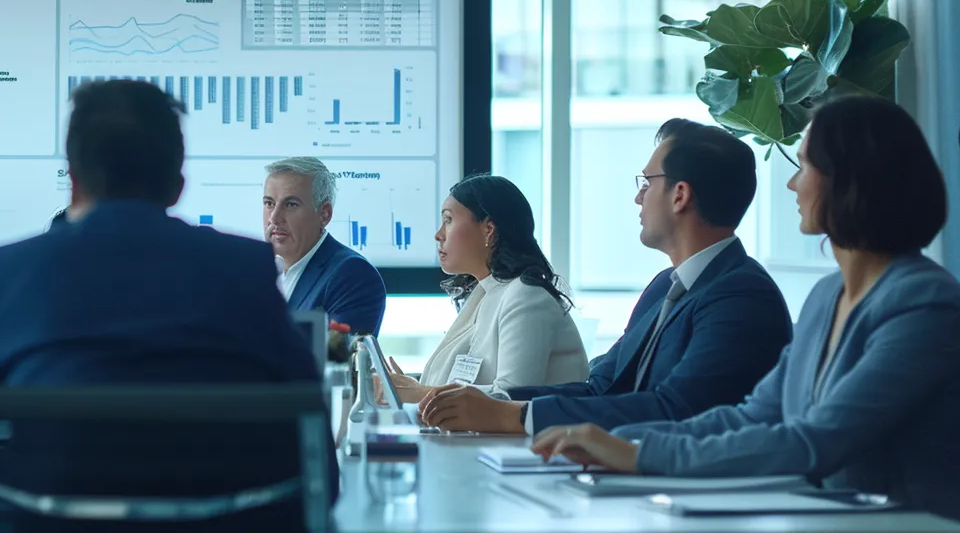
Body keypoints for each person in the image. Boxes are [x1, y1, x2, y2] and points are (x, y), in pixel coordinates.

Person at [0, 79, 332, 531]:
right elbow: (314, 449)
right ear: (177, 185)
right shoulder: (244, 268)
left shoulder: (8, 273)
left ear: (75, 180)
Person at [533, 96, 960, 519]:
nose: (793, 184)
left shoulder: (925, 304)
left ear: (849, 179)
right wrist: (620, 441)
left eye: (804, 167)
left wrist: (638, 454)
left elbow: (815, 441)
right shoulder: (826, 297)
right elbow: (751, 416)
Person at [419, 120, 791, 435]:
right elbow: (601, 386)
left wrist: (512, 415)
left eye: (646, 183)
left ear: (680, 195)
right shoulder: (665, 286)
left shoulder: (741, 296)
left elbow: (677, 410)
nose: (638, 198)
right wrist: (491, 403)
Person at [381, 175, 587, 403]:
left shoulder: (527, 297)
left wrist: (422, 394)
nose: (438, 235)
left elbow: (512, 398)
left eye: (448, 220)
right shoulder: (485, 293)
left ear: (489, 229)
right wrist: (411, 390)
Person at [263, 157, 387, 334]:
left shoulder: (353, 275)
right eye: (269, 203)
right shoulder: (256, 273)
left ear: (324, 214)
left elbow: (332, 358)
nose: (274, 218)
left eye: (291, 204)